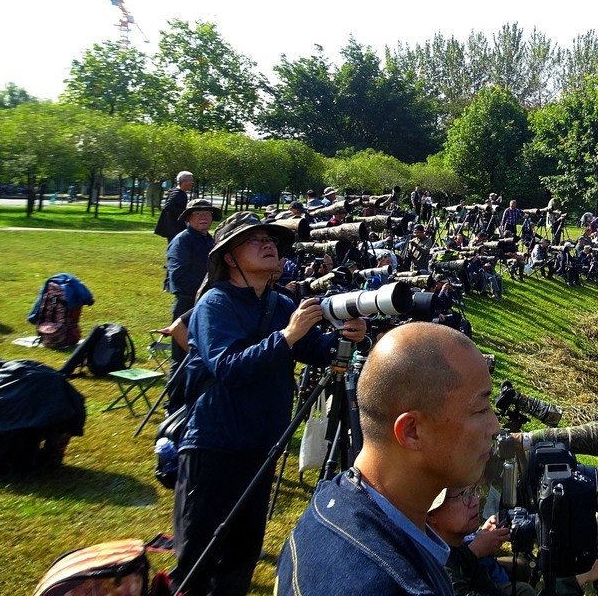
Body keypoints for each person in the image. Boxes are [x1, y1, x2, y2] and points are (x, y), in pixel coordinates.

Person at [171, 212, 367, 596]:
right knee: (199, 558)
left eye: (271, 239)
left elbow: (312, 348)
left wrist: (346, 338)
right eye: (255, 240)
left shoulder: (277, 303)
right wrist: (288, 335)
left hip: (262, 447)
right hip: (216, 444)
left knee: (241, 559)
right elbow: (228, 367)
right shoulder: (215, 303)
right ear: (229, 257)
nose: (269, 245)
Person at [276, 323, 500, 595]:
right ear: (412, 431)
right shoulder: (391, 584)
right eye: (480, 410)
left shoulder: (329, 502)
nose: (495, 427)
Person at [427, 485, 598, 596]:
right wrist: (577, 580)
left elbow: (491, 589)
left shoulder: (448, 547)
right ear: (431, 514)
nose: (474, 501)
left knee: (522, 585)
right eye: (463, 496)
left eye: (472, 491)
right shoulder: (439, 570)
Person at [164, 198, 220, 411]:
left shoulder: (210, 240)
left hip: (209, 305)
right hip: (188, 304)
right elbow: (178, 278)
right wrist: (207, 287)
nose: (204, 217)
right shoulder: (182, 241)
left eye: (207, 213)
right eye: (198, 214)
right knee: (182, 359)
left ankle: (197, 404)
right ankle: (174, 407)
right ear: (188, 218)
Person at [155, 171, 194, 244]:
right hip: (174, 227)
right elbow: (168, 206)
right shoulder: (177, 193)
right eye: (190, 180)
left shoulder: (180, 192)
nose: (192, 183)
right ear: (183, 181)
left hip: (176, 226)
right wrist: (184, 214)